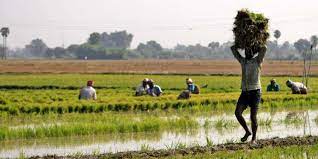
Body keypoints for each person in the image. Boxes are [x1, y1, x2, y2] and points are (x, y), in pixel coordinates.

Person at [231, 45, 267, 143]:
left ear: (253, 52)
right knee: (237, 113)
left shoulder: (258, 60)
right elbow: (233, 49)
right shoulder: (243, 61)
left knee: (253, 117)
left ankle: (254, 139)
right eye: (246, 50)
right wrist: (240, 43)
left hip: (255, 92)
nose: (248, 52)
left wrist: (257, 44)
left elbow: (264, 48)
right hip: (245, 92)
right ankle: (247, 131)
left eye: (250, 51)